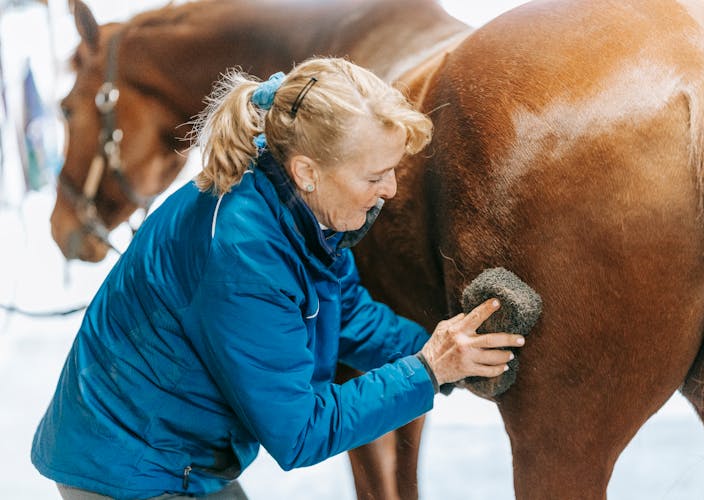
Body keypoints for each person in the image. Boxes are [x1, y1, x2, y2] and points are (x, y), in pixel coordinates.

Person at [32, 57, 524, 499]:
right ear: (308, 170)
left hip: (175, 446)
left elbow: (349, 314)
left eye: (393, 171)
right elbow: (301, 432)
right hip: (127, 465)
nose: (390, 190)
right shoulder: (243, 254)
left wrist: (458, 355)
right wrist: (428, 369)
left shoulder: (302, 208)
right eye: (374, 177)